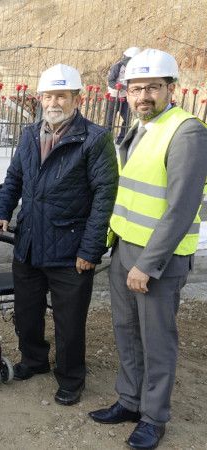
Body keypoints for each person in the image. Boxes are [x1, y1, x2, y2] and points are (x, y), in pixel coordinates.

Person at [88, 49, 207, 450]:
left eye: (153, 87)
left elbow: (181, 207)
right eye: (136, 88)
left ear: (171, 88)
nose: (143, 96)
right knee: (126, 331)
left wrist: (147, 265)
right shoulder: (140, 128)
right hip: (125, 248)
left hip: (158, 259)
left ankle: (154, 417)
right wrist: (113, 245)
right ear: (126, 92)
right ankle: (129, 400)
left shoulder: (186, 131)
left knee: (156, 340)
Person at [0, 64, 118, 406]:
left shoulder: (95, 139)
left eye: (62, 95)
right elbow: (13, 178)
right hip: (29, 243)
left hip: (70, 248)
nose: (54, 102)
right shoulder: (31, 135)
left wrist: (90, 250)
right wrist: (1, 212)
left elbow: (105, 197)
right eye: (48, 95)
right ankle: (33, 360)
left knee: (69, 322)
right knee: (27, 312)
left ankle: (71, 378)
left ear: (77, 97)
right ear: (40, 98)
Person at [106, 47, 140, 144]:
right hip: (113, 96)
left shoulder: (134, 68)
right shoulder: (117, 67)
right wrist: (119, 87)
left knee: (127, 118)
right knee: (110, 120)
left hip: (125, 97)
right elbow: (110, 81)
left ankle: (120, 140)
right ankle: (107, 140)